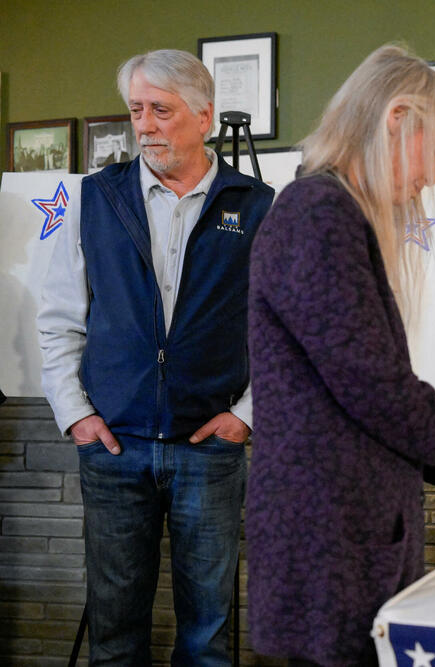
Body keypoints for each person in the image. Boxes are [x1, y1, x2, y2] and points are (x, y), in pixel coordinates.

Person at [244, 44, 435, 667]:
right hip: (332, 543)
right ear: (396, 119)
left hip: (345, 535)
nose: (434, 177)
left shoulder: (329, 213)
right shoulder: (317, 215)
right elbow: (379, 391)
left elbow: (355, 399)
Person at [37, 49, 274, 664]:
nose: (144, 125)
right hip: (114, 446)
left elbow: (285, 330)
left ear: (204, 116)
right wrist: (75, 415)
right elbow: (60, 320)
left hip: (210, 449)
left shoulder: (259, 206)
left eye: (161, 111)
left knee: (208, 631)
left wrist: (247, 414)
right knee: (114, 632)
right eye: (137, 110)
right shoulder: (94, 199)